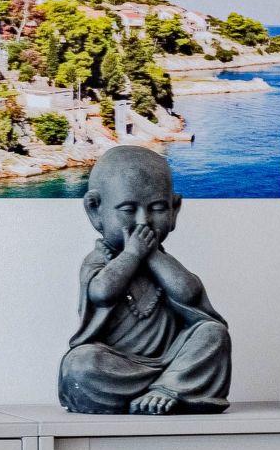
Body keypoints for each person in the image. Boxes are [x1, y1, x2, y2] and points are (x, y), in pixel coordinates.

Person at [58, 146, 230, 415]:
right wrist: (132, 254)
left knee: (213, 334)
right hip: (118, 367)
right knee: (79, 365)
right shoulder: (99, 260)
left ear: (174, 210)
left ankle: (168, 389)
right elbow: (102, 292)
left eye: (158, 208)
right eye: (128, 209)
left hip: (174, 363)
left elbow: (189, 292)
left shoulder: (163, 262)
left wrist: (151, 255)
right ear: (95, 210)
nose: (143, 222)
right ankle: (160, 390)